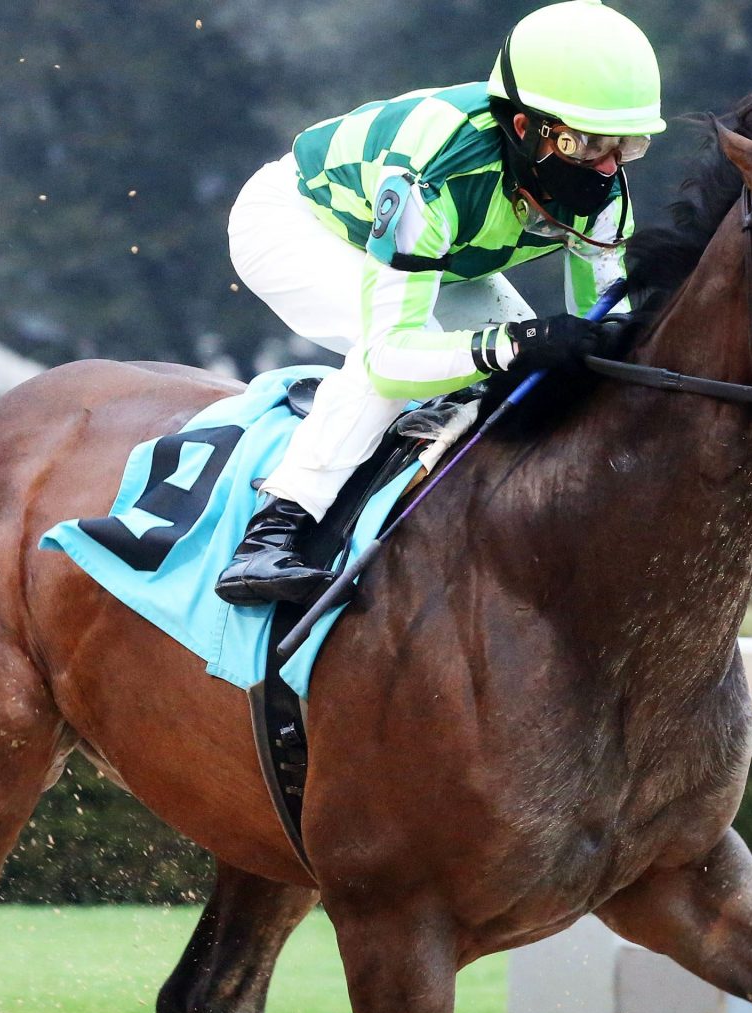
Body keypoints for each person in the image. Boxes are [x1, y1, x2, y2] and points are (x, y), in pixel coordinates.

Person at [214, 0, 665, 606]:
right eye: (587, 144)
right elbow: (391, 356)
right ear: (525, 128)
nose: (607, 167)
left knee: (541, 377)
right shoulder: (433, 173)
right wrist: (518, 344)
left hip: (445, 259)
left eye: (625, 146)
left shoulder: (604, 192)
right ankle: (273, 533)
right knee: (416, 364)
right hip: (300, 226)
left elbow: (599, 331)